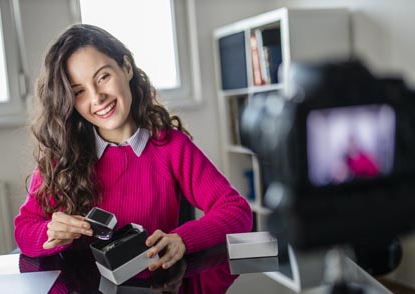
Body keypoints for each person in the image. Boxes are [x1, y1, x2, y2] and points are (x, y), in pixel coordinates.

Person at [14, 24, 252, 271]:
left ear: (126, 67)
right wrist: (49, 233)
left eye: (103, 77)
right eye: (79, 92)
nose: (97, 98)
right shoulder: (61, 155)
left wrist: (183, 239)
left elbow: (237, 211)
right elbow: (24, 231)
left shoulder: (172, 146)